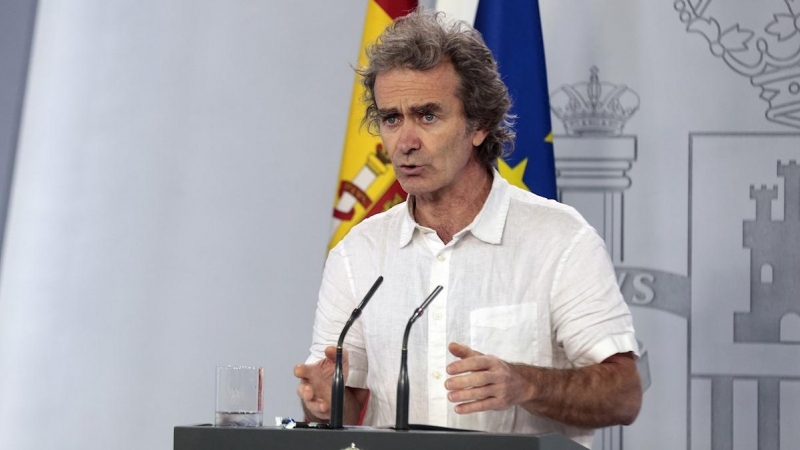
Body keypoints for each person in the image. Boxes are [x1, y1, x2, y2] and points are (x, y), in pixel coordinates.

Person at [294, 9, 642, 448]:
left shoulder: (560, 239)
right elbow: (341, 405)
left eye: (427, 116)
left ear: (478, 124)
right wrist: (321, 401)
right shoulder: (358, 252)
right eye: (391, 119)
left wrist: (525, 384)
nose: (405, 142)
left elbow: (623, 393)